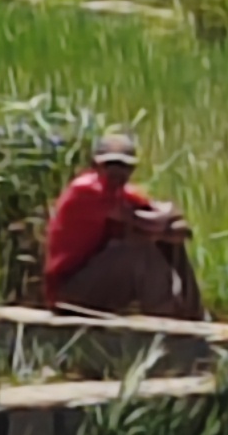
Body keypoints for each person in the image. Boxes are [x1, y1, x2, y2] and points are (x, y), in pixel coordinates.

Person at [42, 127, 206, 321]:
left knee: (167, 243)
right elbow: (145, 222)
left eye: (123, 167)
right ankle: (167, 318)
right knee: (140, 251)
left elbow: (169, 216)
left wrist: (170, 229)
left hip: (94, 283)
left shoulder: (123, 194)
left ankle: (193, 313)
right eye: (110, 165)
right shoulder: (87, 190)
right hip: (68, 292)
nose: (116, 173)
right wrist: (166, 228)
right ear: (96, 166)